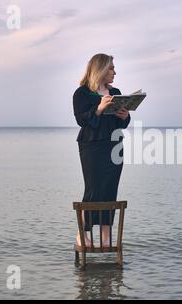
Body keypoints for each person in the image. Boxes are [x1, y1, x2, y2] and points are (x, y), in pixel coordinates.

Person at [73, 53, 130, 247]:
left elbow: (121, 123)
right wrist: (98, 108)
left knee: (109, 189)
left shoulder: (116, 92)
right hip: (91, 145)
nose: (115, 72)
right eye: (111, 68)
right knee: (93, 190)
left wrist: (124, 116)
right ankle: (82, 235)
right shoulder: (82, 93)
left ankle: (106, 236)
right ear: (101, 69)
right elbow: (81, 120)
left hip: (114, 145)